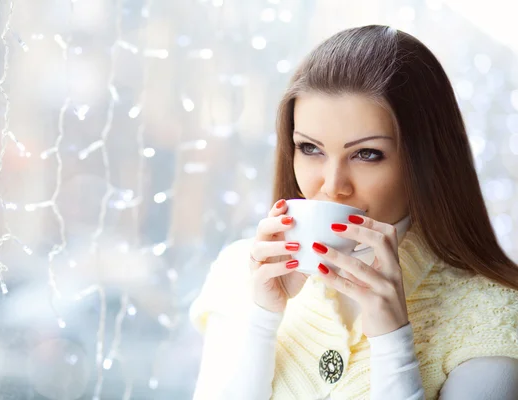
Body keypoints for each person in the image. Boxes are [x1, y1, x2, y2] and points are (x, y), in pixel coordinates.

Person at [189, 25, 518, 400]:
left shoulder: (493, 315)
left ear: (427, 160)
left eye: (367, 154)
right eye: (310, 148)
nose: (332, 185)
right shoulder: (238, 273)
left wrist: (392, 341)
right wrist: (262, 320)